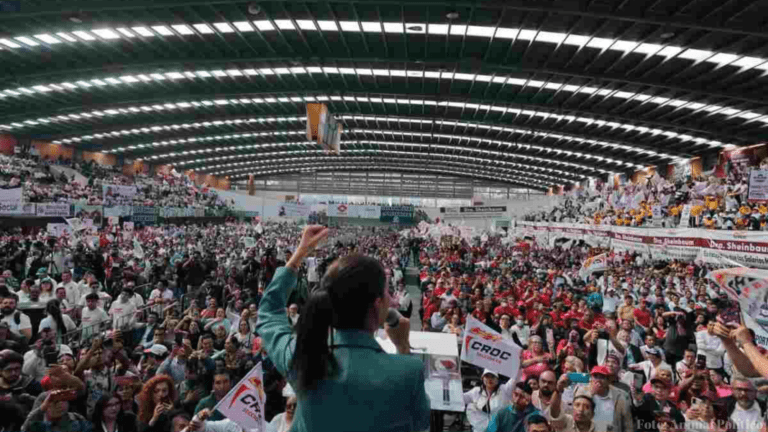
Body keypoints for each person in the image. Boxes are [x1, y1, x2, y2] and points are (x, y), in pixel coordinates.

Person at [256, 225, 430, 432]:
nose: (392, 300)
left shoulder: (301, 357)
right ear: (377, 305)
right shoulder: (407, 372)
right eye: (387, 293)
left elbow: (268, 314)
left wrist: (299, 254)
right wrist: (403, 346)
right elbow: (420, 423)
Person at [574, 366, 633, 432]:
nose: (598, 380)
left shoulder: (620, 396)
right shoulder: (582, 391)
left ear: (608, 380)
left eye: (602, 377)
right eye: (595, 376)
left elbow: (628, 424)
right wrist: (591, 395)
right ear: (591, 379)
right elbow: (576, 417)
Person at [21, 389, 92, 432]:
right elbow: (25, 430)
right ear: (45, 406)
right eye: (55, 401)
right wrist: (41, 409)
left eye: (63, 400)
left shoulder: (78, 419)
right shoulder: (39, 424)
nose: (60, 404)